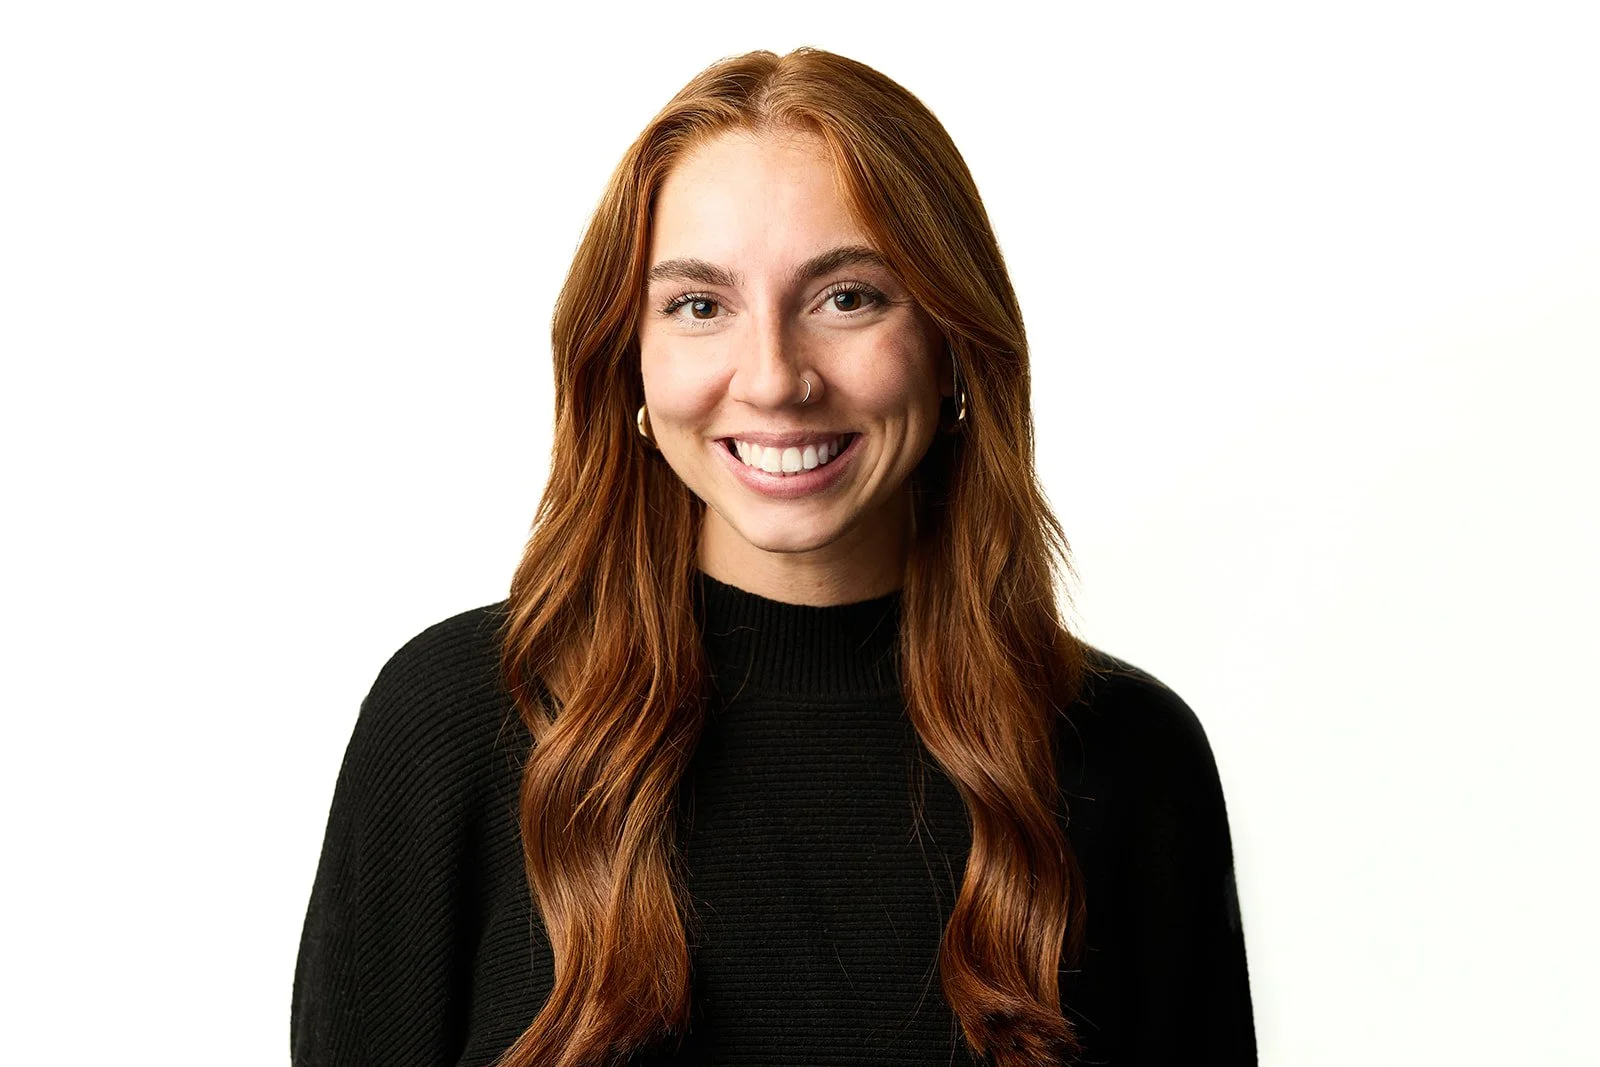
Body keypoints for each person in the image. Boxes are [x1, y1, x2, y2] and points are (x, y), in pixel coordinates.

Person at [291, 46, 1257, 1067]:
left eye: (847, 297)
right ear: (629, 358)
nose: (773, 379)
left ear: (952, 342)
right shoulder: (453, 726)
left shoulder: (1131, 758)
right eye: (699, 306)